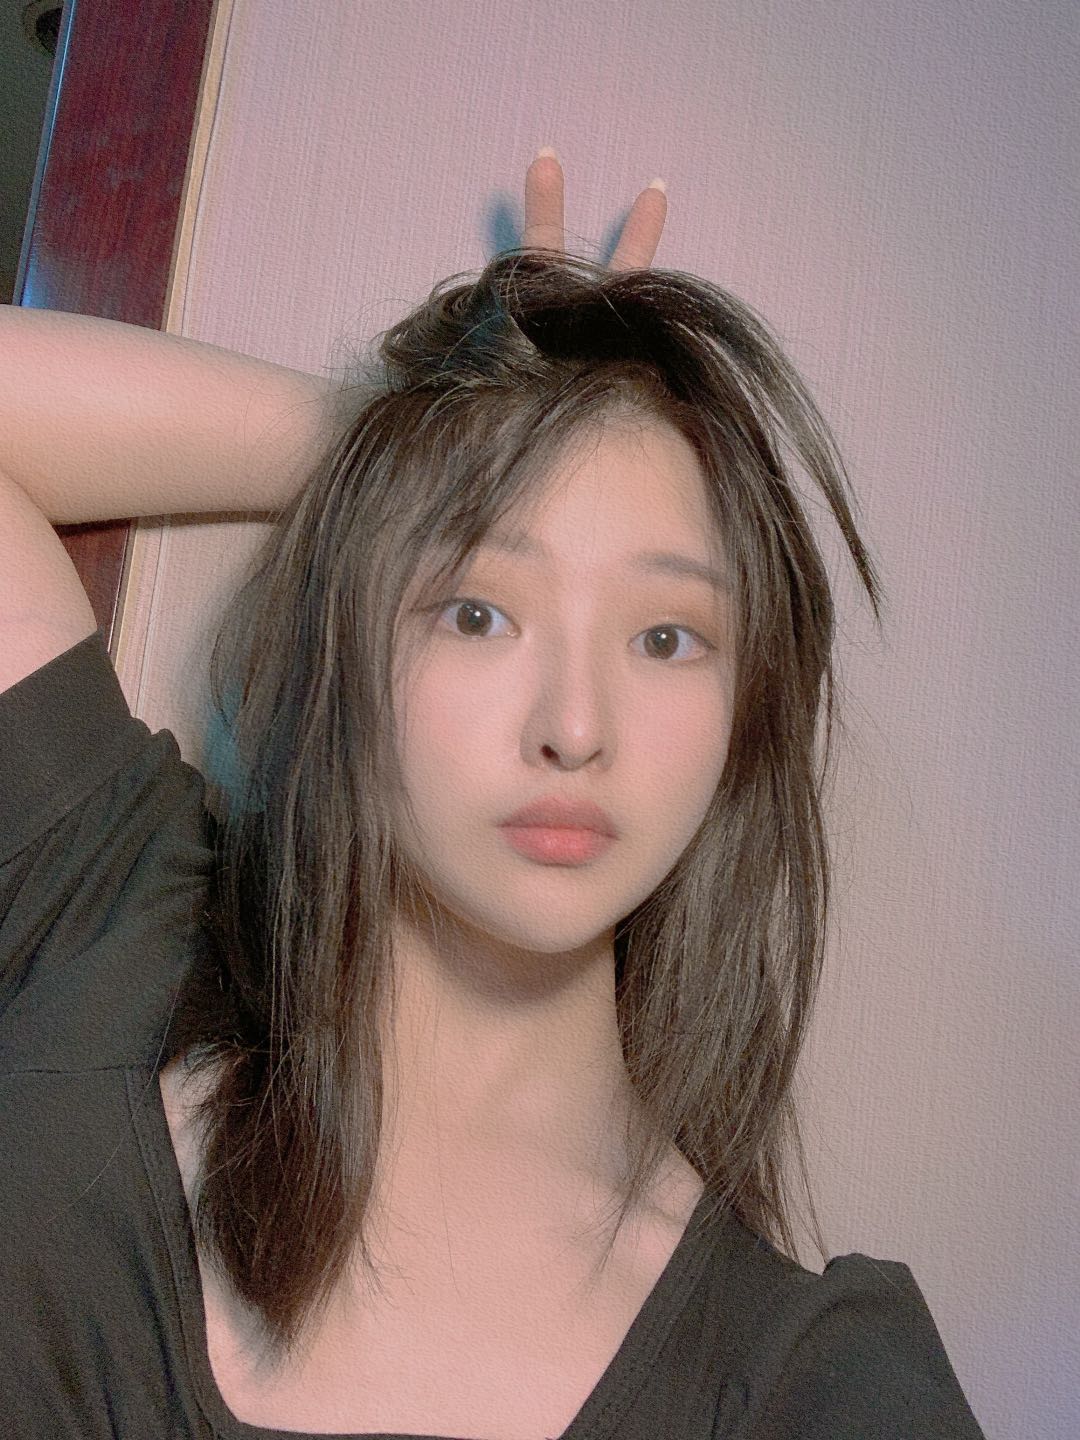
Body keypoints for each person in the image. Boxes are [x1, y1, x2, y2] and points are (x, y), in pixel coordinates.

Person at [0, 153, 986, 1438]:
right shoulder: (110, 916)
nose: (575, 727)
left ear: (742, 718)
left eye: (666, 637)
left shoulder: (809, 1381)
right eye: (478, 611)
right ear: (353, 643)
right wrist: (419, 449)